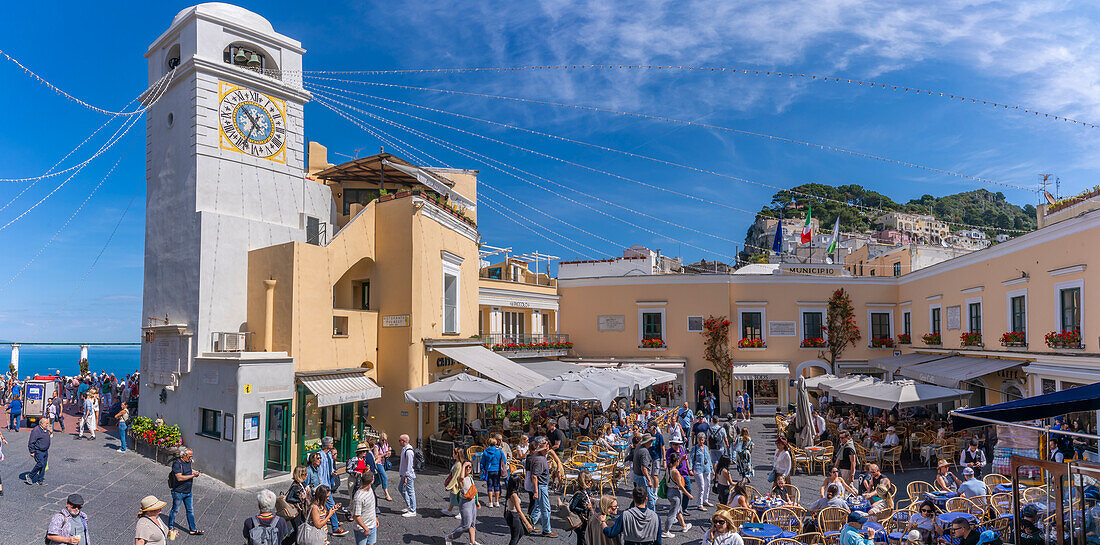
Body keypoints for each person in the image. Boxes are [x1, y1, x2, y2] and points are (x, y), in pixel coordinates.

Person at [168, 448, 203, 535]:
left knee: (190, 511)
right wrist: (192, 476)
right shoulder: (177, 464)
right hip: (178, 492)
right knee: (175, 510)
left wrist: (195, 475)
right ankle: (170, 526)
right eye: (190, 456)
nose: (191, 458)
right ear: (184, 455)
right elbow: (179, 478)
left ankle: (193, 529)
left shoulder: (188, 462)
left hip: (188, 491)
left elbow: (188, 473)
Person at [526, 437, 556, 537]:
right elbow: (534, 476)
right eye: (545, 443)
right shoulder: (539, 459)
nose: (547, 444)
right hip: (541, 486)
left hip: (541, 486)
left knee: (538, 508)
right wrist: (536, 491)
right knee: (546, 509)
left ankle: (529, 525)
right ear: (540, 445)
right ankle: (546, 530)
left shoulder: (539, 456)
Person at [445, 460, 478, 545]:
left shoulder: (470, 476)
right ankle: (449, 536)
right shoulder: (460, 478)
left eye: (470, 467)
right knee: (466, 525)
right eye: (466, 467)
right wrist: (463, 466)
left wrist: (477, 501)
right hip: (465, 503)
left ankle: (472, 542)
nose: (468, 468)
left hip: (473, 502)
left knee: (472, 524)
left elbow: (473, 490)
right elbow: (462, 478)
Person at [317, 437, 346, 535]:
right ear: (327, 444)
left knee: (322, 506)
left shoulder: (329, 454)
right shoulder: (320, 455)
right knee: (332, 506)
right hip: (323, 486)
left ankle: (323, 523)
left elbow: (328, 469)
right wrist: (321, 486)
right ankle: (335, 528)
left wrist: (332, 473)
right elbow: (320, 472)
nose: (333, 444)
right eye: (332, 443)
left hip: (328, 484)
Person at [663, 451, 693, 538]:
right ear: (676, 461)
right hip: (675, 493)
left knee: (678, 510)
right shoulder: (675, 472)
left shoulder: (668, 468)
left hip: (669, 491)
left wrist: (682, 459)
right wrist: (688, 495)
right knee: (672, 513)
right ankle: (666, 531)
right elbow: (680, 486)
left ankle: (684, 526)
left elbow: (676, 463)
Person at [505, 474, 534, 545]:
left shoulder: (510, 491)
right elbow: (519, 511)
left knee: (520, 532)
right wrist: (527, 523)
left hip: (510, 514)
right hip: (513, 516)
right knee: (514, 537)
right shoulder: (514, 495)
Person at [632, 433, 658, 510]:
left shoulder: (638, 447)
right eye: (650, 441)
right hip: (642, 477)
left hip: (636, 475)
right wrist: (649, 480)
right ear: (646, 442)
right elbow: (644, 468)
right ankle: (652, 514)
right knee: (651, 498)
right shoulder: (644, 452)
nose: (652, 442)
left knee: (639, 496)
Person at [351, 472, 378, 545]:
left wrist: (375, 517)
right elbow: (356, 516)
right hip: (362, 529)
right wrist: (365, 528)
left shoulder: (370, 489)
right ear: (372, 481)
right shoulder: (359, 497)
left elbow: (371, 506)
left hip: (372, 525)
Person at [691, 431, 714, 510]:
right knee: (702, 486)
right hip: (698, 468)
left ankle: (705, 500)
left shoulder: (706, 448)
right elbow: (691, 459)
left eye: (702, 440)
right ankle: (699, 504)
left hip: (707, 468)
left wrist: (712, 469)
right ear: (697, 439)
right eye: (699, 439)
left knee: (707, 485)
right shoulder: (694, 448)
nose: (701, 441)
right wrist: (690, 469)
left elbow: (709, 459)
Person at [569, 472, 594, 545]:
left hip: (586, 520)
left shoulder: (587, 491)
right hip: (580, 521)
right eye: (588, 481)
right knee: (583, 540)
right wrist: (585, 509)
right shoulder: (579, 494)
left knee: (583, 540)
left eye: (591, 480)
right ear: (583, 481)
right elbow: (572, 507)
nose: (590, 482)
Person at [284, 465, 310, 533]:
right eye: (305, 474)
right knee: (298, 530)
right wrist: (300, 499)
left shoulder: (301, 484)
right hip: (296, 510)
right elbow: (288, 498)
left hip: (301, 510)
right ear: (299, 475)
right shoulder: (295, 486)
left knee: (300, 529)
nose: (307, 475)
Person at [481, 436, 506, 508]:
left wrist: (482, 469)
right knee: (496, 485)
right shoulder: (499, 451)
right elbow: (504, 461)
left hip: (488, 471)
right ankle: (497, 501)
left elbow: (482, 462)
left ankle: (490, 502)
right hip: (497, 470)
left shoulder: (485, 451)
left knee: (489, 486)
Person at [443, 447, 467, 517]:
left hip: (457, 484)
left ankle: (461, 513)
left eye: (454, 453)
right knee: (453, 497)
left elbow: (455, 477)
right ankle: (449, 510)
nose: (452, 455)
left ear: (457, 454)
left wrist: (449, 486)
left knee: (458, 498)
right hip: (456, 483)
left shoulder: (458, 464)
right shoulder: (457, 462)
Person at [398, 433, 417, 518]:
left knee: (410, 491)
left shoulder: (408, 451)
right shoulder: (404, 449)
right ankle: (409, 506)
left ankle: (413, 510)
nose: (399, 442)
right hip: (404, 474)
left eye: (400, 440)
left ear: (404, 441)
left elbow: (409, 465)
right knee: (400, 488)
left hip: (408, 475)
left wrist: (406, 476)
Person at [28, 415, 51, 485]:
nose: (47, 425)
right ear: (41, 423)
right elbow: (31, 441)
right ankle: (30, 476)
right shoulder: (36, 430)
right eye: (46, 423)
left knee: (43, 466)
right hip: (38, 451)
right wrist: (32, 451)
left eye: (47, 423)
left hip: (45, 451)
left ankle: (40, 480)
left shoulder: (45, 429)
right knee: (40, 464)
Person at [374, 433, 393, 501]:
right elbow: (376, 457)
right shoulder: (376, 446)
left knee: (379, 478)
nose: (384, 441)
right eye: (382, 440)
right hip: (378, 463)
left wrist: (389, 453)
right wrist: (385, 454)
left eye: (385, 440)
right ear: (380, 439)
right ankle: (386, 494)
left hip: (384, 463)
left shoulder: (386, 445)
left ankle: (372, 491)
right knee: (384, 477)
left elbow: (387, 455)